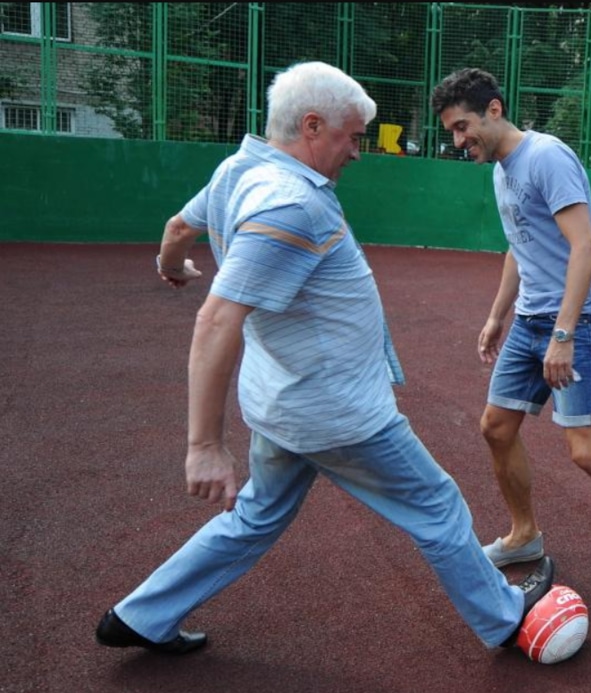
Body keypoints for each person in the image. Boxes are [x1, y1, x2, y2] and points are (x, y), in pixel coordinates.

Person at [94, 60, 555, 657]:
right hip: (337, 413)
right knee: (437, 505)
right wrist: (204, 445)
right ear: (312, 126)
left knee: (255, 518)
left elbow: (179, 225)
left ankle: (140, 617)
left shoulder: (240, 169)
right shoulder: (289, 205)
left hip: (282, 400)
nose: (358, 151)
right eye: (352, 136)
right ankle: (505, 617)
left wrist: (168, 264)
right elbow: (215, 319)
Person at [430, 68, 591, 642]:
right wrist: (495, 315)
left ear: (494, 108)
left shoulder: (546, 157)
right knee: (495, 426)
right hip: (532, 321)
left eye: (463, 128)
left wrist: (562, 335)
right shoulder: (501, 170)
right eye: (453, 133)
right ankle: (523, 534)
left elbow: (584, 246)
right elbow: (520, 245)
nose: (460, 142)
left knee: (587, 452)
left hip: (576, 325)